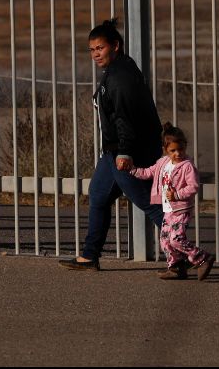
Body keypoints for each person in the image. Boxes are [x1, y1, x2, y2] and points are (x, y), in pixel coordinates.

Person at [59, 18, 164, 271]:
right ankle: (89, 255)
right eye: (92, 50)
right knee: (98, 195)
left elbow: (124, 118)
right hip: (113, 153)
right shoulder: (118, 70)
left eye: (100, 48)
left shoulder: (120, 77)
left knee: (150, 204)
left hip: (126, 152)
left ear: (115, 46)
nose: (95, 54)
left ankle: (189, 255)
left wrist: (125, 152)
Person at [129, 123, 215, 281]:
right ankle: (176, 268)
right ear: (165, 149)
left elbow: (193, 187)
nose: (177, 154)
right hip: (168, 210)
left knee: (176, 239)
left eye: (180, 149)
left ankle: (202, 258)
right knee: (165, 241)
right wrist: (133, 170)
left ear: (185, 146)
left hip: (181, 209)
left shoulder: (187, 166)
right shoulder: (163, 163)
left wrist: (177, 195)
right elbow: (148, 172)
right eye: (173, 150)